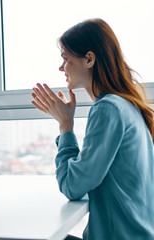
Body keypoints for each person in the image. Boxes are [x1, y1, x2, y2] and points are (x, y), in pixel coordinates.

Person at [31, 19, 154, 239]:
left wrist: (65, 126)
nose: (61, 68)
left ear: (89, 59)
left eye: (66, 60)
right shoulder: (127, 105)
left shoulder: (108, 108)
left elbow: (72, 185)